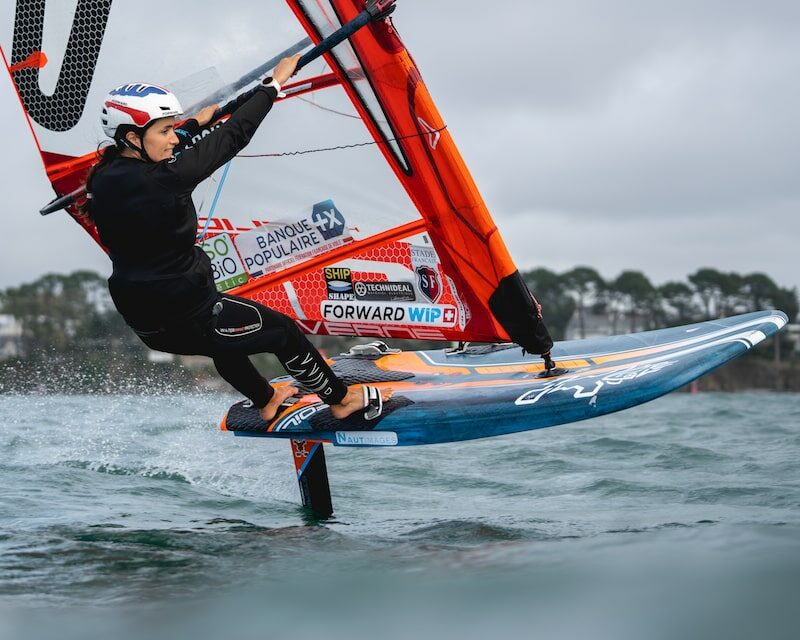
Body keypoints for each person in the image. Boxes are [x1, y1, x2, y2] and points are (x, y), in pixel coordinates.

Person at [82, 54, 392, 422]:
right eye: (163, 131)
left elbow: (177, 144)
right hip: (188, 311)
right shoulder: (165, 179)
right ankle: (341, 401)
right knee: (281, 331)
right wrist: (273, 85)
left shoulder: (104, 176)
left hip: (146, 321)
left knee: (223, 341)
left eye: (170, 128)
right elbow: (233, 136)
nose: (171, 138)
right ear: (132, 137)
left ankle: (266, 398)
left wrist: (195, 122)